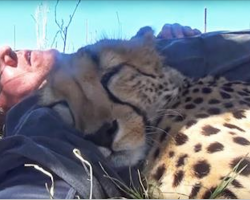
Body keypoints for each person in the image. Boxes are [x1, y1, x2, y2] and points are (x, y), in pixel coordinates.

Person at [1, 23, 250, 198]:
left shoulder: (138, 51)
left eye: (109, 75)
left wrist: (171, 40)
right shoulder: (34, 116)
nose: (5, 50)